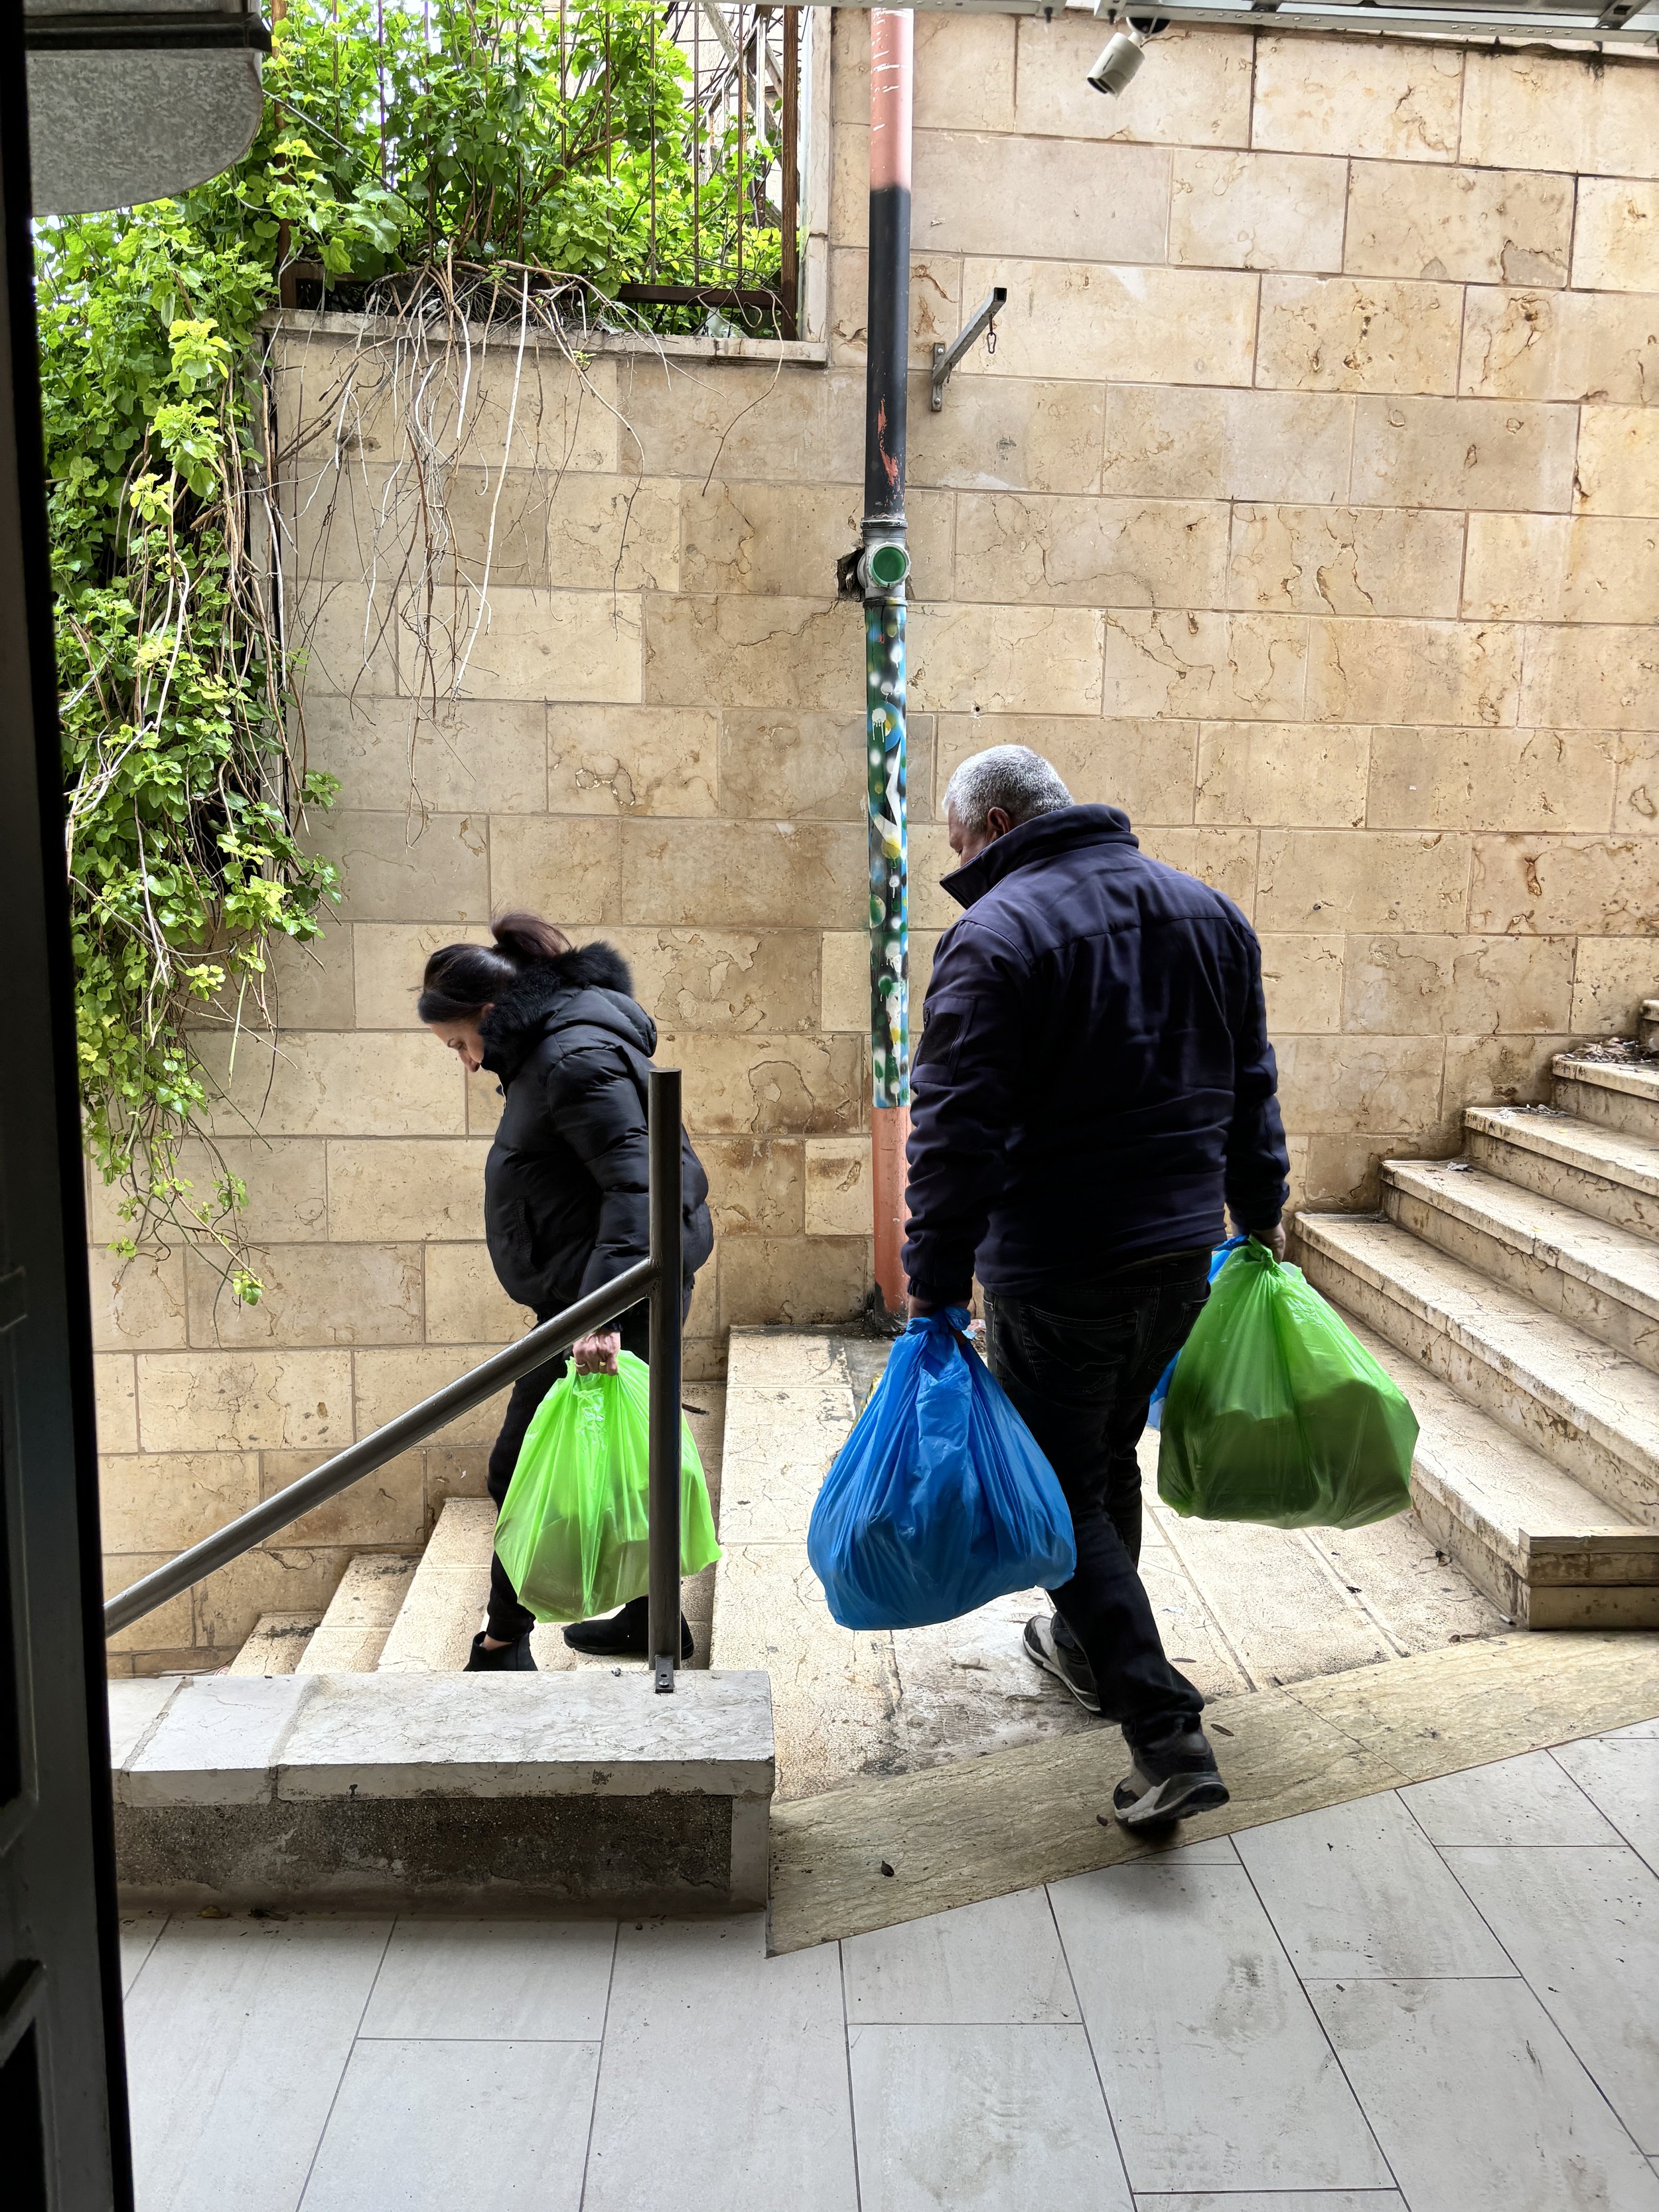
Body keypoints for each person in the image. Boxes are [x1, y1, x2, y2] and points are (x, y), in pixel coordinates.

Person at [902, 746, 1289, 1828]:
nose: (959, 867)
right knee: (1100, 1451)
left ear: (986, 828)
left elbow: (954, 1133)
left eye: (956, 848)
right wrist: (1259, 1218)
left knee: (1062, 1496)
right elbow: (1253, 1086)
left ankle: (1161, 1723)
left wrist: (933, 1286)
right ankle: (1089, 1644)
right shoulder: (1210, 913)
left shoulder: (994, 936)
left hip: (1059, 1269)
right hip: (1181, 1259)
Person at [418, 913, 713, 1672]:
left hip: (609, 1294)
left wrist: (597, 1319)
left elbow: (636, 1186)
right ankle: (654, 1622)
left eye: (458, 1043)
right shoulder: (558, 1045)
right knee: (631, 1456)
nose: (464, 1062)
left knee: (520, 1464)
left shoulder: (570, 1056)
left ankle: (501, 1643)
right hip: (614, 1283)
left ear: (489, 1014)